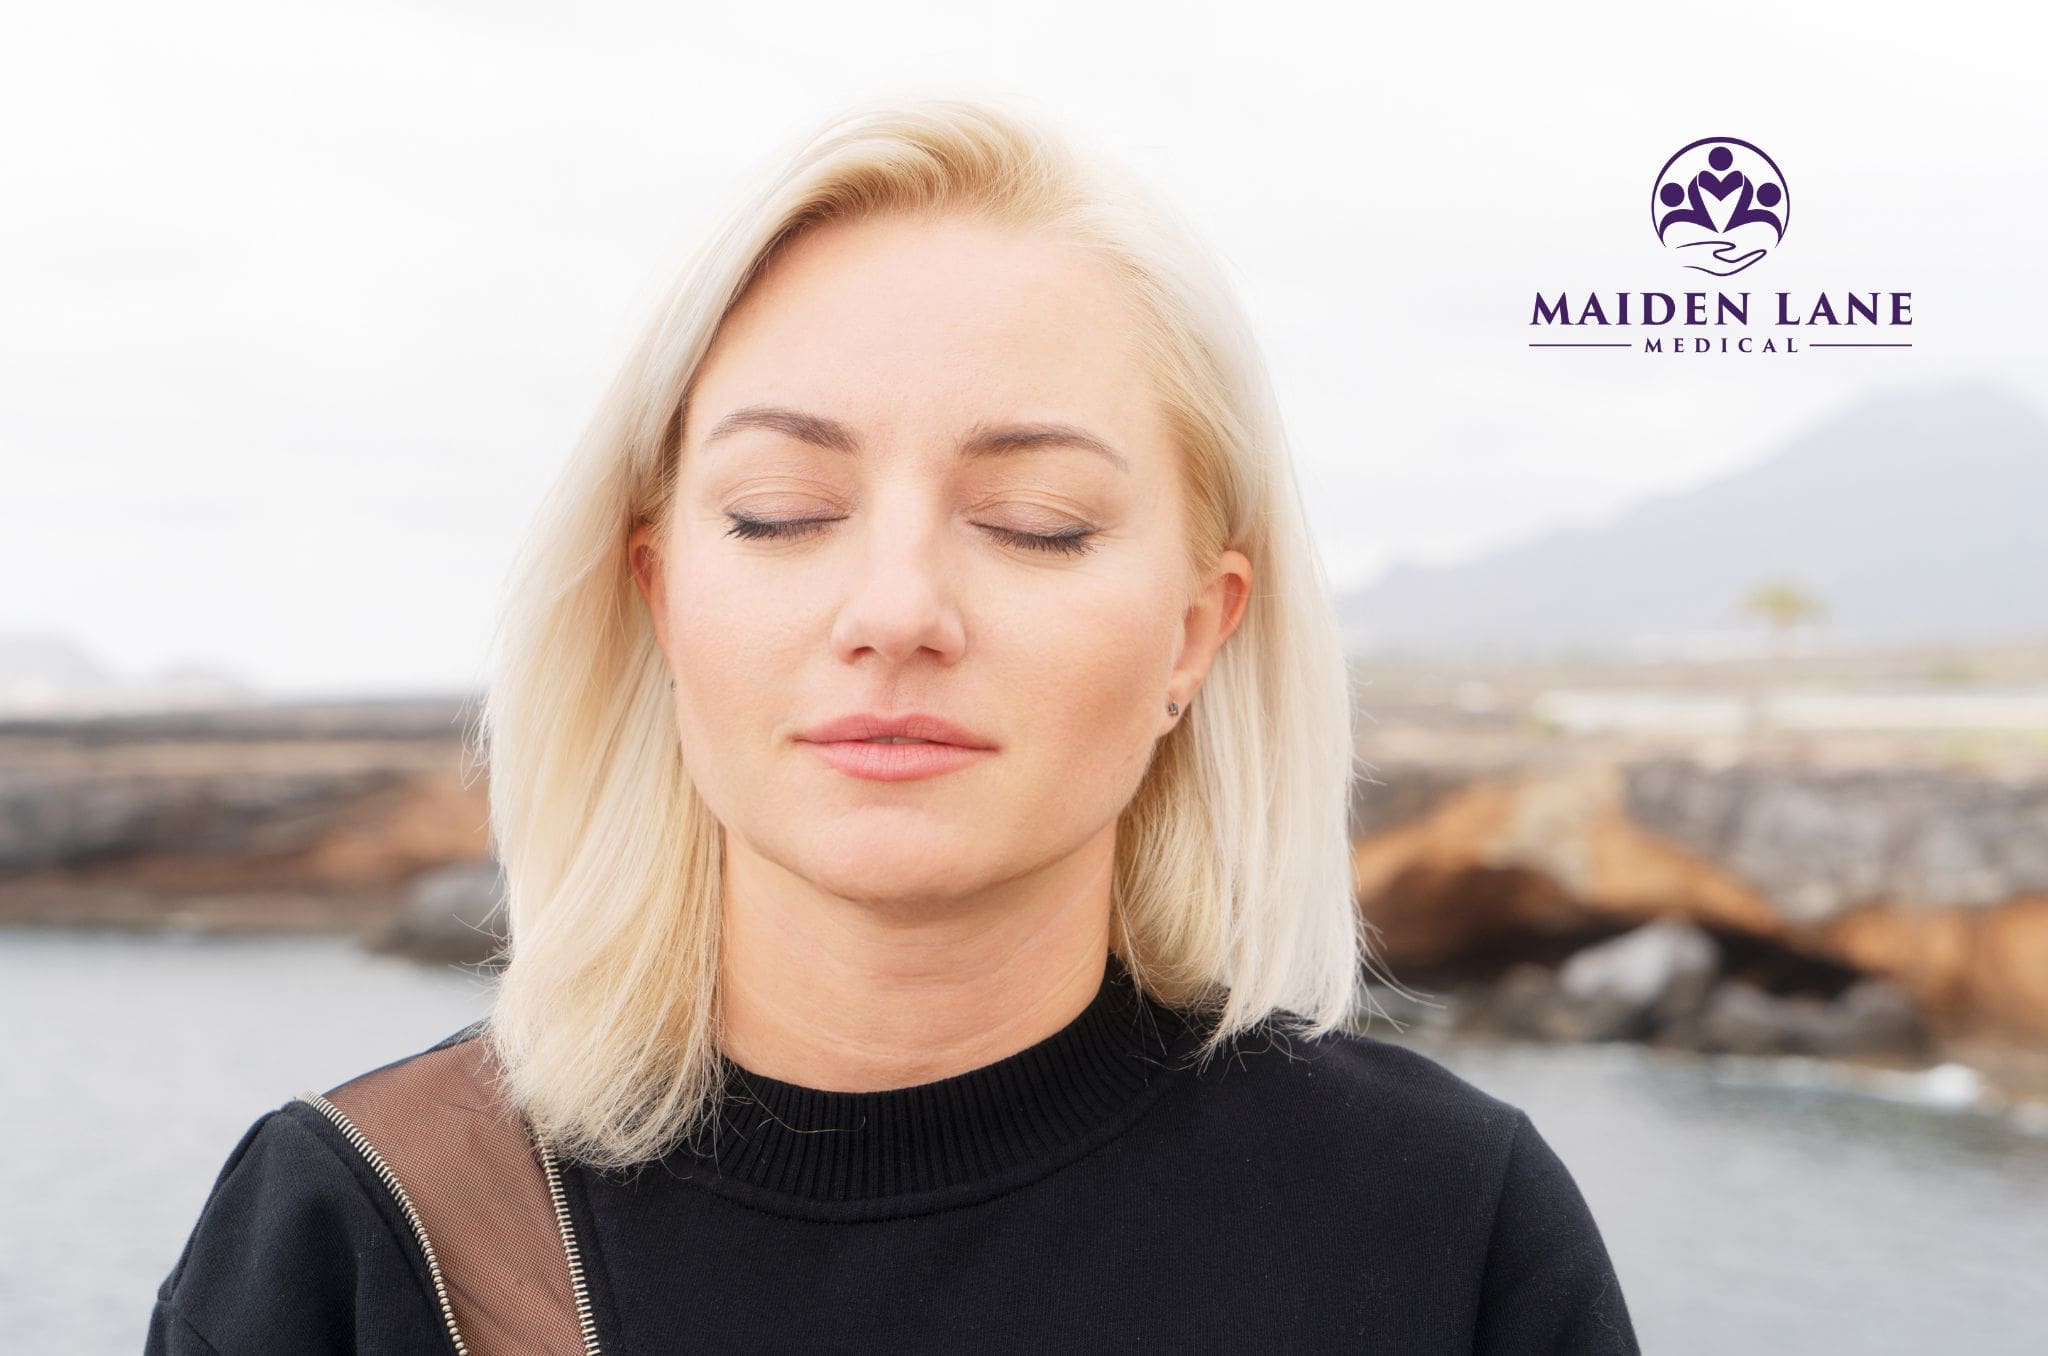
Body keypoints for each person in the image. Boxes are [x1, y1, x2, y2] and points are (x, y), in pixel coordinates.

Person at [148, 94, 1640, 1354]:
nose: (898, 608)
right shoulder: (368, 1227)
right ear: (660, 597)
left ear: (1196, 630)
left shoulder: (1445, 1229)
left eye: (1037, 523)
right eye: (781, 512)